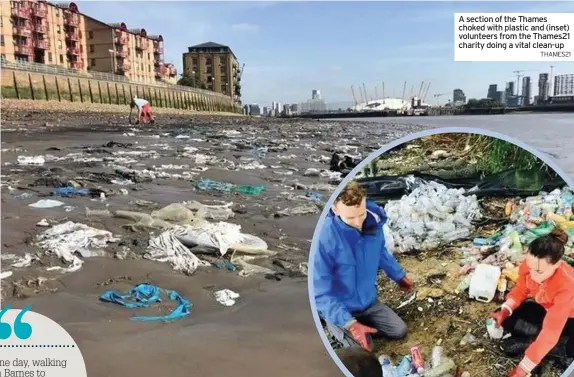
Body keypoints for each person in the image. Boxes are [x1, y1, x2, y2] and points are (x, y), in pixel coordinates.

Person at [313, 181, 413, 352]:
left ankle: (363, 326)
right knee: (366, 351)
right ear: (335, 210)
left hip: (367, 301)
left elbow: (380, 252)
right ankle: (340, 326)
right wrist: (350, 324)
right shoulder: (323, 239)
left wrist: (398, 275)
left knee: (399, 330)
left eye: (361, 214)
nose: (358, 222)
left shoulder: (373, 225)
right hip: (341, 307)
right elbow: (319, 293)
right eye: (350, 218)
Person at [489, 227, 574, 377]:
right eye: (530, 268)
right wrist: (505, 309)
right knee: (505, 316)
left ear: (557, 265)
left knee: (569, 346)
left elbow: (551, 331)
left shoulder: (567, 285)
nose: (533, 276)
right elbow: (521, 290)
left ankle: (534, 344)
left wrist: (522, 369)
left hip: (569, 318)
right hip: (547, 310)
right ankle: (538, 342)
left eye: (539, 272)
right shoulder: (530, 265)